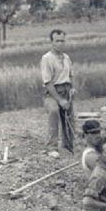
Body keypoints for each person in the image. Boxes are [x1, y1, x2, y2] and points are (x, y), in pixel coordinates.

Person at [41, 29, 76, 159]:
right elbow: (48, 82)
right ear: (52, 42)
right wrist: (60, 100)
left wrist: (72, 88)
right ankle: (51, 147)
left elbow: (71, 75)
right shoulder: (47, 58)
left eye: (62, 41)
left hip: (66, 89)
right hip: (52, 92)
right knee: (54, 111)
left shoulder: (66, 57)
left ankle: (69, 146)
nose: (60, 43)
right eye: (57, 41)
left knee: (69, 117)